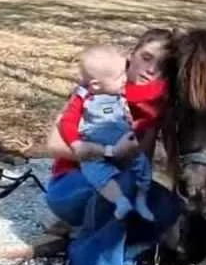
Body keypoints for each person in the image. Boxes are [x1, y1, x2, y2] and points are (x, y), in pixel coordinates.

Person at [44, 27, 178, 265]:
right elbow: (53, 145)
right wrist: (108, 152)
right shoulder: (95, 87)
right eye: (147, 57)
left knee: (168, 206)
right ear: (132, 55)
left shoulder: (155, 108)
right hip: (70, 186)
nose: (151, 69)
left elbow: (144, 162)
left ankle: (121, 258)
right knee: (121, 181)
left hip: (119, 187)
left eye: (162, 66)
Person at [59, 44, 154, 222]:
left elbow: (144, 100)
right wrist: (76, 143)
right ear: (96, 84)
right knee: (99, 175)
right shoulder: (83, 97)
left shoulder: (119, 93)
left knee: (143, 168)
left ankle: (142, 200)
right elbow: (67, 122)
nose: (125, 79)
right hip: (95, 152)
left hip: (126, 148)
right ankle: (120, 202)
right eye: (120, 77)